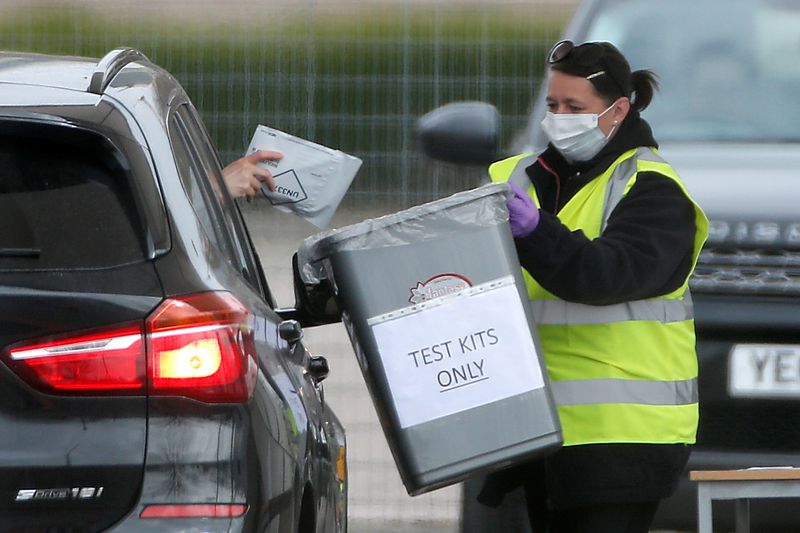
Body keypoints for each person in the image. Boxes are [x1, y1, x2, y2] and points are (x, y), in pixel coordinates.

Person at [483, 40, 709, 533]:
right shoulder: (514, 179)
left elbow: (602, 277)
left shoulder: (652, 190)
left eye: (574, 108)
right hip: (537, 430)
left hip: (623, 437)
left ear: (618, 110)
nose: (559, 118)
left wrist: (535, 230)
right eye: (552, 106)